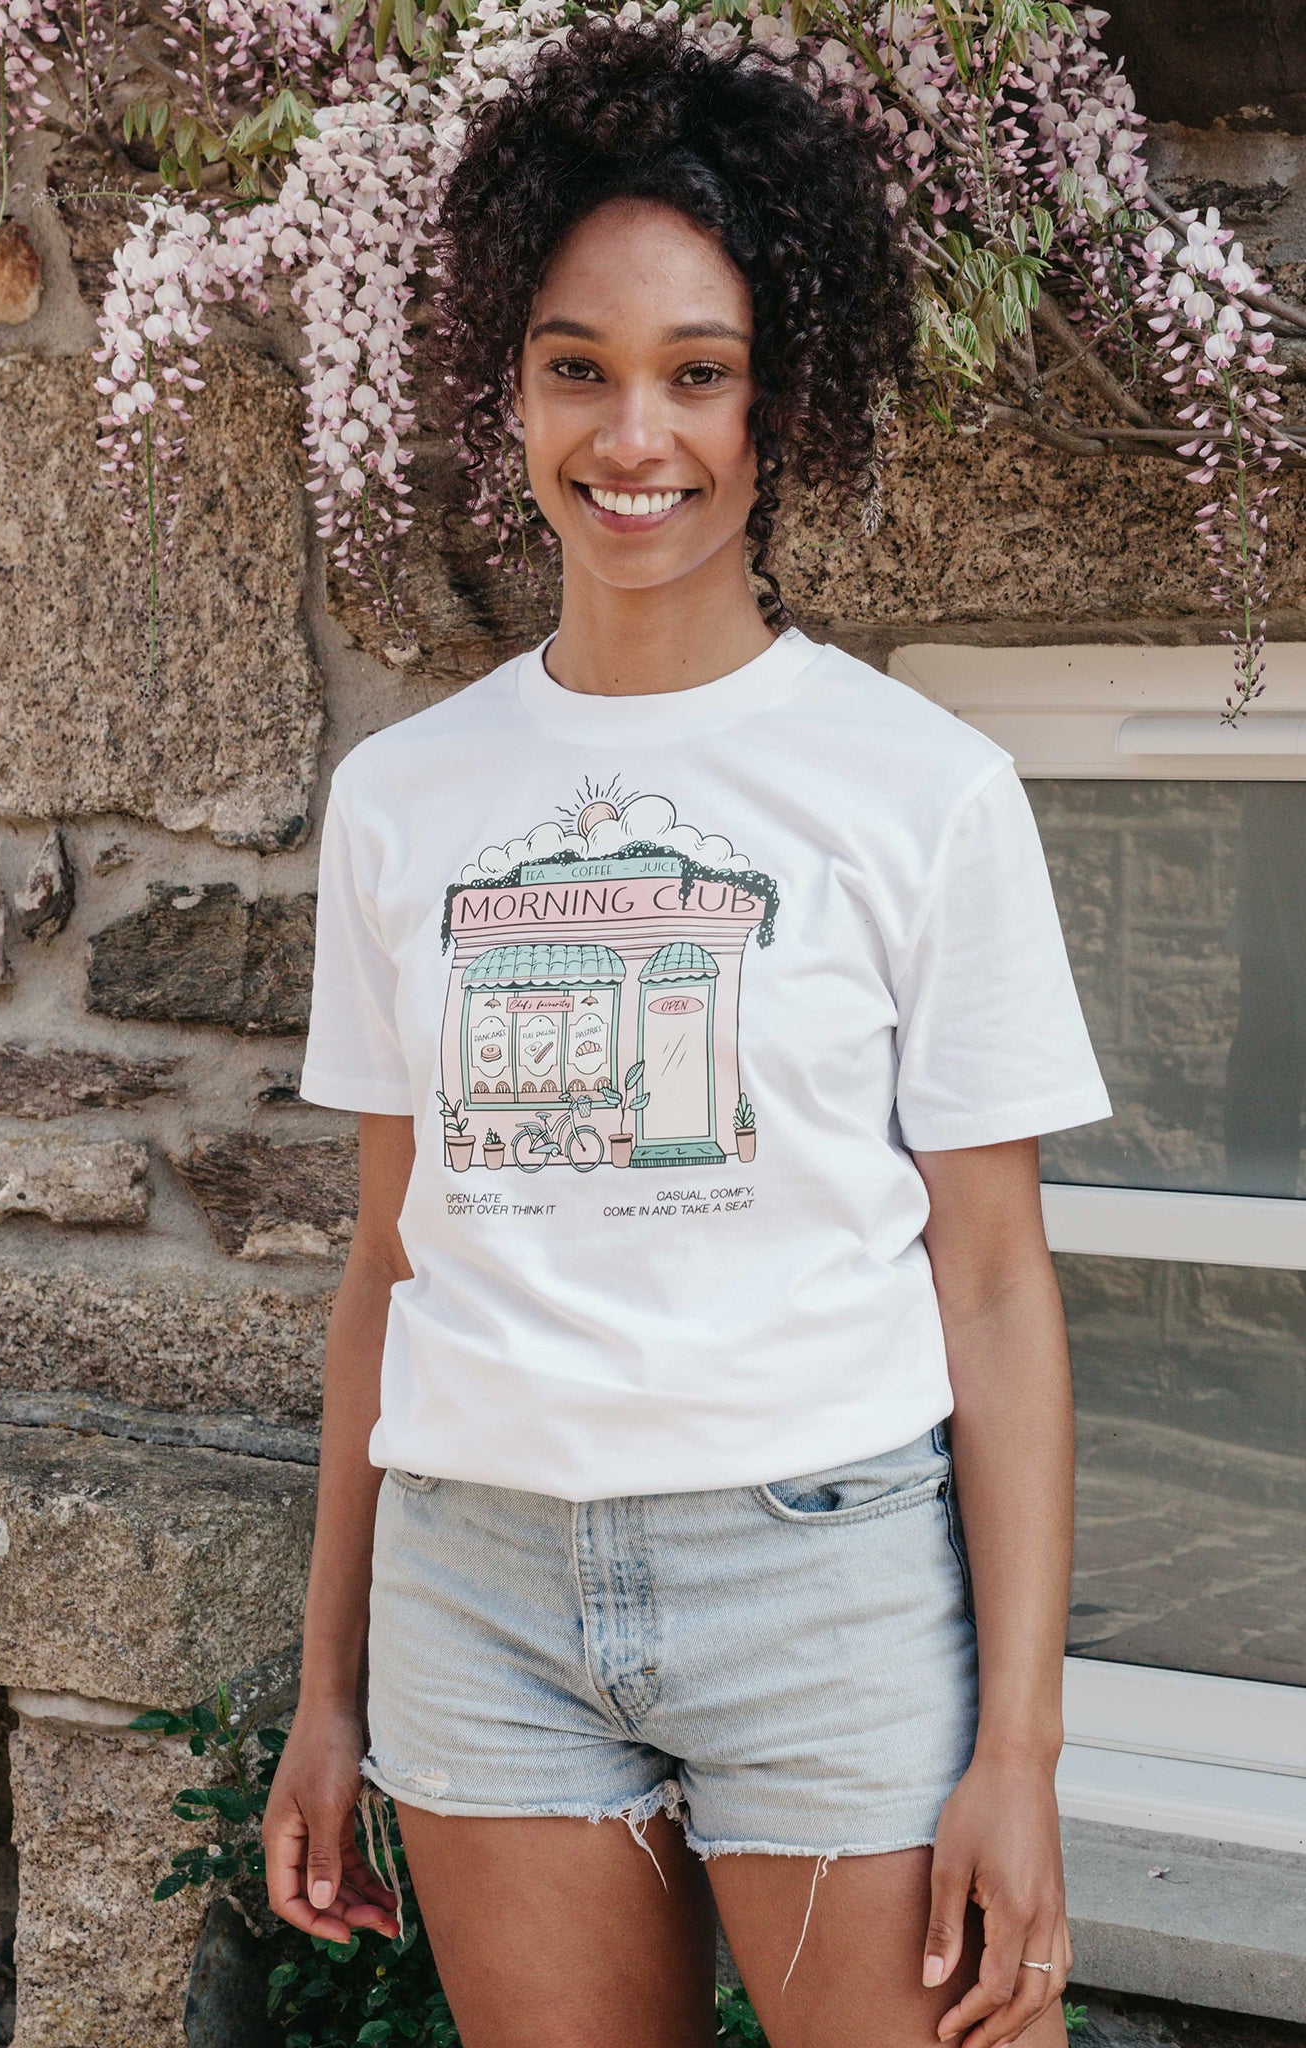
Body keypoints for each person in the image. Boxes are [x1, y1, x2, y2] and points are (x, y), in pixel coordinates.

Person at [265, 19, 1114, 2048]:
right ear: (513, 386)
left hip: (816, 1577)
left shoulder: (918, 789)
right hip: (477, 1585)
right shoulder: (406, 797)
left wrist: (1021, 1753)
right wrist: (329, 1685)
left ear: (771, 401)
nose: (631, 436)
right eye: (579, 367)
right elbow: (390, 1261)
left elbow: (993, 1290)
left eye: (695, 373)